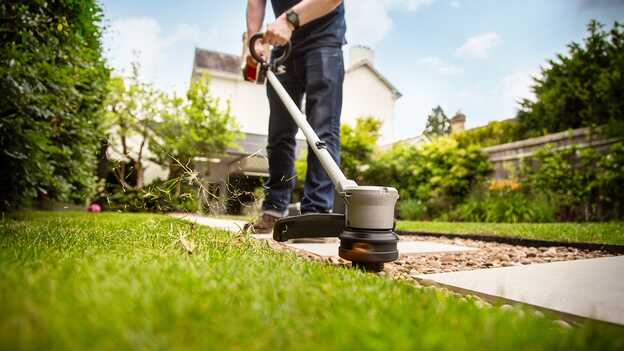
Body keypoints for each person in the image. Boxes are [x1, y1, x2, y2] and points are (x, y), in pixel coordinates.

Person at [244, 0, 346, 233]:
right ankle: (274, 208)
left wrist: (290, 19)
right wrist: (254, 39)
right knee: (279, 133)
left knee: (322, 130)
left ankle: (316, 212)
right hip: (283, 46)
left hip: (324, 39)